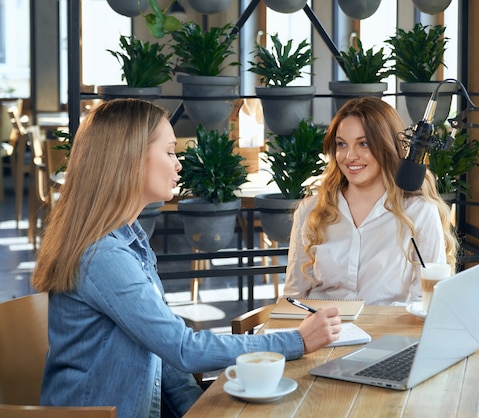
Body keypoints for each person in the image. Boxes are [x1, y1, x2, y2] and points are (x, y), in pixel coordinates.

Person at [31, 99, 341, 417]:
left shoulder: (129, 238)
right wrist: (297, 341)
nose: (178, 163)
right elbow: (183, 348)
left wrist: (198, 410)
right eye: (168, 152)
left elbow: (164, 354)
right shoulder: (104, 256)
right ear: (130, 159)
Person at [282, 97, 458, 305]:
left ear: (388, 146)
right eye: (341, 144)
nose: (349, 156)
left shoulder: (419, 212)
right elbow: (293, 297)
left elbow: (427, 302)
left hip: (386, 333)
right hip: (323, 333)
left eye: (363, 144)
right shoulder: (312, 210)